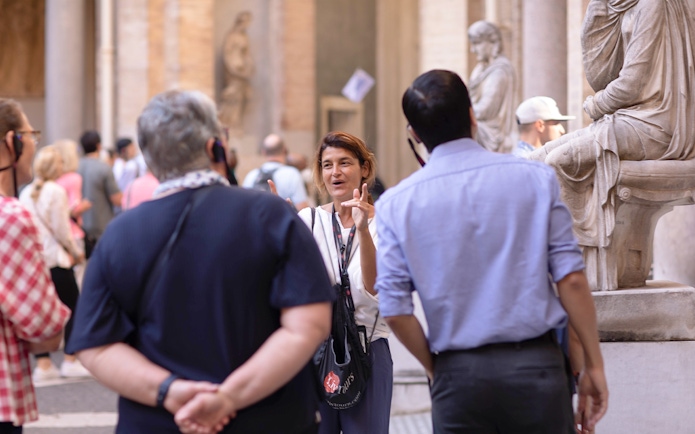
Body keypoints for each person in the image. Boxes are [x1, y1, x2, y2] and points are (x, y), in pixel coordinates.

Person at [66, 90, 333, 434]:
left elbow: (95, 345)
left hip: (158, 423)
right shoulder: (272, 214)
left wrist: (171, 391)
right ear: (214, 147)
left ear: (150, 159)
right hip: (270, 419)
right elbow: (309, 325)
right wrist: (227, 398)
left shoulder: (119, 234)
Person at [376, 70, 608, 433]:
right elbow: (572, 280)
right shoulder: (534, 178)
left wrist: (439, 370)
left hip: (459, 378)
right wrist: (593, 366)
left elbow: (394, 310)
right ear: (472, 115)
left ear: (414, 135)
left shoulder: (395, 204)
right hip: (536, 370)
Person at [529, 0, 695, 270]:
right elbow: (602, 76)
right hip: (631, 118)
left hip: (658, 123)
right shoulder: (627, 6)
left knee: (560, 161)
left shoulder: (651, 5)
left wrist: (596, 105)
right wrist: (597, 13)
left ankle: (580, 265)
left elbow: (631, 83)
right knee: (534, 161)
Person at [297, 132, 392, 434]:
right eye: (327, 165)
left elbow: (375, 288)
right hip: (318, 350)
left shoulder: (386, 224)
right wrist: (278, 232)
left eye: (344, 163)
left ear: (365, 168)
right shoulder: (308, 221)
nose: (335, 172)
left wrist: (364, 232)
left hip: (368, 349)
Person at [0, 98, 70, 432]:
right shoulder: (10, 218)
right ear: (12, 142)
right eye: (32, 135)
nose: (33, 144)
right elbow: (47, 335)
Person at [18, 146, 91, 382]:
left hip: (36, 260)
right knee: (74, 307)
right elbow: (62, 229)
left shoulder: (26, 192)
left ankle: (44, 363)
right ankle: (70, 359)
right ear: (54, 167)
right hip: (56, 260)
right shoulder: (56, 191)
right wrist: (75, 251)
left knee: (41, 310)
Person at [467, 20, 516, 153]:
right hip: (478, 127)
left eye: (477, 43)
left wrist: (458, 113)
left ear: (492, 42)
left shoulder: (499, 71)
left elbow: (484, 110)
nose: (473, 50)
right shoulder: (479, 69)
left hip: (490, 135)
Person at [54, 139, 92, 286]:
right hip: (73, 232)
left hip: (58, 233)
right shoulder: (74, 178)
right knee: (79, 275)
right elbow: (73, 208)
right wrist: (84, 205)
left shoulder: (55, 179)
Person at [242, 133, 309, 210]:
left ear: (263, 152)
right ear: (284, 150)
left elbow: (244, 208)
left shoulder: (251, 175)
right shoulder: (292, 174)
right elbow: (302, 210)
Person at [77, 130, 121, 243]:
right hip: (101, 226)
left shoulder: (75, 167)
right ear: (99, 146)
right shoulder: (104, 168)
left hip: (80, 226)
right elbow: (117, 199)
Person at [219, 11, 253, 133]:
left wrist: (249, 67)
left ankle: (236, 124)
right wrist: (233, 70)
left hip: (242, 71)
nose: (247, 25)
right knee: (231, 97)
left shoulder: (244, 37)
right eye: (245, 22)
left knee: (240, 99)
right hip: (233, 71)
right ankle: (228, 124)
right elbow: (227, 55)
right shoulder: (231, 36)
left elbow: (247, 54)